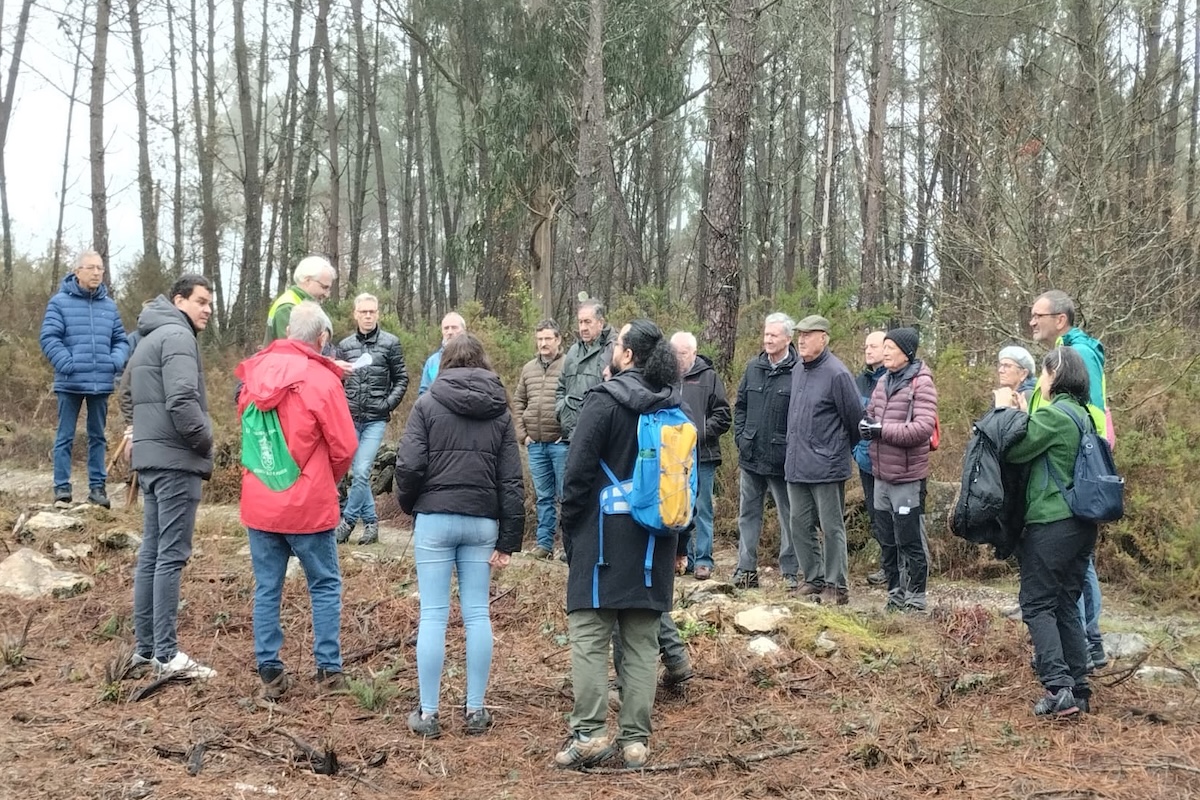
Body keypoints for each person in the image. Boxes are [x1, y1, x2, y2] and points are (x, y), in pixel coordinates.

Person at [555, 320, 687, 771]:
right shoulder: (674, 407)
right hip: (656, 543)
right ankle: (635, 743)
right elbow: (684, 485)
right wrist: (680, 543)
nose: (612, 347)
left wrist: (569, 529)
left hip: (602, 539)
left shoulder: (602, 402)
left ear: (627, 355)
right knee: (643, 643)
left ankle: (590, 735)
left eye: (616, 343)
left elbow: (576, 475)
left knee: (591, 637)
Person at [395, 333, 524, 738]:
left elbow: (409, 466)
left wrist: (410, 504)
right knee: (477, 614)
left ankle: (429, 715)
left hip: (435, 517)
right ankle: (475, 711)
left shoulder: (427, 403)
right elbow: (511, 481)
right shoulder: (500, 411)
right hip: (482, 521)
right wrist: (509, 538)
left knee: (433, 615)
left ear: (444, 362)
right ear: (482, 362)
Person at [236, 301, 359, 698]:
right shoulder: (322, 381)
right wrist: (326, 479)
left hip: (261, 501)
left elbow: (249, 437)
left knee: (267, 586)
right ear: (322, 339)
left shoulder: (255, 372)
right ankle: (329, 671)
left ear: (289, 332)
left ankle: (270, 673)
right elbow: (344, 446)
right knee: (323, 584)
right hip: (308, 504)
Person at [995, 347, 1097, 717]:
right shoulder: (1083, 415)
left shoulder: (1054, 416)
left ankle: (1058, 687)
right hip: (1082, 525)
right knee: (1066, 602)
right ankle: (1080, 687)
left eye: (1044, 373)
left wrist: (1005, 410)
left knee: (1037, 603)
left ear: (1055, 375)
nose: (1041, 380)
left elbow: (1014, 449)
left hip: (1053, 522)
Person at [123, 275, 216, 679]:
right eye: (201, 301)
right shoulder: (177, 337)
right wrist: (205, 442)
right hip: (176, 460)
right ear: (179, 300)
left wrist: (136, 431)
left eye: (211, 302)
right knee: (170, 555)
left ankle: (145, 650)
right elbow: (182, 400)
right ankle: (165, 653)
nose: (208, 309)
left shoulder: (147, 336)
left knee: (153, 552)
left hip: (150, 459)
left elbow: (125, 392)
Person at [1028, 290, 1108, 670]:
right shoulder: (1065, 350)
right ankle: (1074, 670)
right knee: (1065, 588)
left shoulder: (1077, 355)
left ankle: (1087, 646)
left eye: (1038, 315)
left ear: (1061, 318)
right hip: (1067, 488)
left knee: (1062, 588)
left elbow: (1095, 413)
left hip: (1066, 493)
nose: (1032, 322)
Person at [39, 250, 130, 508]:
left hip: (100, 381)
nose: (96, 272)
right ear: (77, 271)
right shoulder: (59, 302)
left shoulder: (109, 306)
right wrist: (67, 363)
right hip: (70, 382)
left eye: (100, 268)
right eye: (90, 267)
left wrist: (114, 361)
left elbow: (120, 341)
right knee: (65, 435)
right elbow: (49, 338)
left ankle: (97, 490)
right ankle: (61, 490)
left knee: (97, 436)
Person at [784, 315, 862, 606]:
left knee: (831, 528)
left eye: (808, 334)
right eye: (799, 334)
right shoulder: (797, 370)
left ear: (824, 338)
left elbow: (856, 420)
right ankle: (813, 578)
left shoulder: (837, 373)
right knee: (798, 523)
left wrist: (833, 450)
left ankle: (836, 585)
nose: (801, 340)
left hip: (827, 466)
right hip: (796, 463)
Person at [862, 327, 938, 613]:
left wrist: (882, 430)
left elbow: (922, 429)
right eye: (885, 347)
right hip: (880, 474)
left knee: (910, 540)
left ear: (906, 353)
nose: (885, 352)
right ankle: (894, 596)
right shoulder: (882, 383)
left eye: (890, 348)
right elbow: (872, 416)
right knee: (887, 541)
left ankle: (916, 598)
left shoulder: (922, 384)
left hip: (907, 477)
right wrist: (867, 425)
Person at [334, 293, 409, 546]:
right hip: (350, 418)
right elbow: (337, 381)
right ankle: (372, 524)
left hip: (376, 419)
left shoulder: (391, 343)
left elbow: (402, 379)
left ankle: (347, 522)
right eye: (363, 311)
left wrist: (387, 404)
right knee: (358, 474)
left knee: (362, 470)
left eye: (372, 311)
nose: (368, 316)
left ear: (378, 313)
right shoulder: (344, 346)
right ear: (355, 314)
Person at [731, 313, 799, 590]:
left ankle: (790, 573)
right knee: (747, 514)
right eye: (766, 335)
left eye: (773, 335)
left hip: (782, 459)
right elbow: (741, 405)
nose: (768, 340)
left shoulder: (798, 371)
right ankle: (745, 570)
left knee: (789, 516)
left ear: (788, 338)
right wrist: (741, 437)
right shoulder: (753, 367)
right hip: (751, 456)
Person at [670, 331, 731, 580]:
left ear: (693, 353)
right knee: (676, 508)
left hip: (702, 455)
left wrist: (698, 433)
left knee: (702, 509)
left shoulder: (709, 378)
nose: (677, 358)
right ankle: (682, 558)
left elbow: (724, 415)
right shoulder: (666, 379)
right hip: (672, 457)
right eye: (673, 353)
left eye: (682, 353)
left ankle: (704, 560)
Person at [512, 319, 568, 559]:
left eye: (548, 339)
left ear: (558, 339)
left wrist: (567, 433)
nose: (543, 344)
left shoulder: (569, 365)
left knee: (567, 496)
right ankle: (544, 545)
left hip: (561, 444)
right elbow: (517, 402)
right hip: (535, 445)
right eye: (540, 339)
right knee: (543, 497)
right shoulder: (528, 369)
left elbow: (579, 400)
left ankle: (569, 546)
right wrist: (523, 435)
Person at [854, 331, 889, 586]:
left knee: (894, 515)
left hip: (891, 460)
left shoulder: (894, 379)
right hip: (866, 459)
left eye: (873, 346)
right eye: (866, 346)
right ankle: (888, 567)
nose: (868, 350)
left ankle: (903, 568)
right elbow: (851, 416)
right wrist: (854, 450)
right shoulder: (860, 381)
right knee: (876, 516)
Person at [555, 298, 615, 444]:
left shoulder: (613, 350)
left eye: (588, 322)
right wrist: (562, 410)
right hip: (571, 435)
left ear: (600, 323)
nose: (583, 327)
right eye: (580, 322)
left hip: (600, 435)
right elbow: (561, 387)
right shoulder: (573, 351)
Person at [265, 255, 335, 344]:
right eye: (324, 287)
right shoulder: (287, 307)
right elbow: (293, 351)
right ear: (307, 280)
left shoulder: (303, 303)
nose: (327, 294)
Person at [417, 311, 466, 395]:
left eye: (454, 327)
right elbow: (423, 392)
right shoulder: (432, 362)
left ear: (464, 330)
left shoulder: (473, 358)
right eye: (446, 328)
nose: (450, 332)